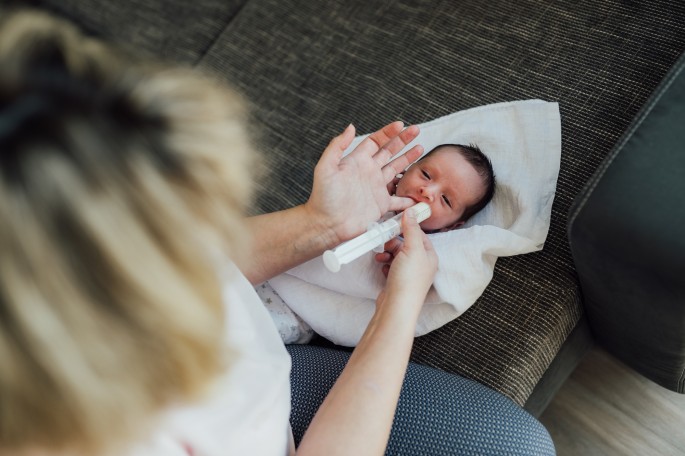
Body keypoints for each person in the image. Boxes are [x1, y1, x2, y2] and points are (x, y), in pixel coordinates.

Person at [0, 10, 554, 456]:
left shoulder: (102, 255)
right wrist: (400, 304)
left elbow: (199, 262)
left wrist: (322, 224)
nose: (426, 195)